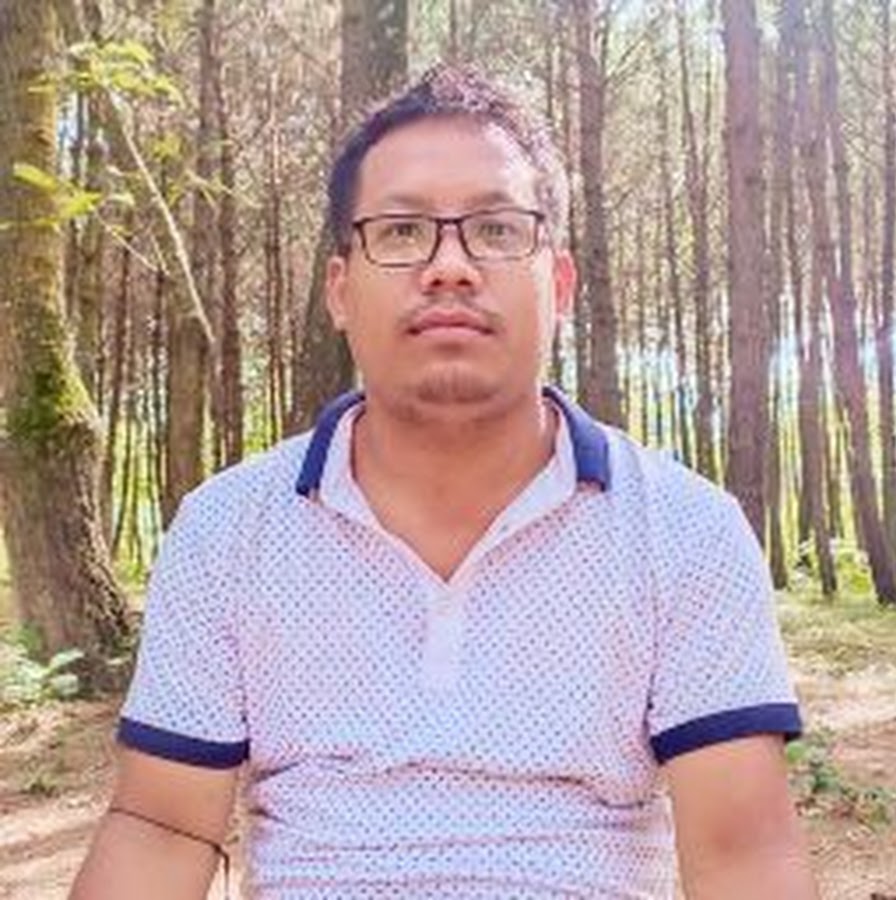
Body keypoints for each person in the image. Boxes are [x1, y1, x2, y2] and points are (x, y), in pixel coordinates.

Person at [71, 66, 817, 900]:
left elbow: (745, 853)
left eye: (496, 229)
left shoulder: (684, 531)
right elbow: (161, 827)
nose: (450, 267)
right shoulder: (228, 529)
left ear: (559, 284)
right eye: (401, 231)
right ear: (340, 289)